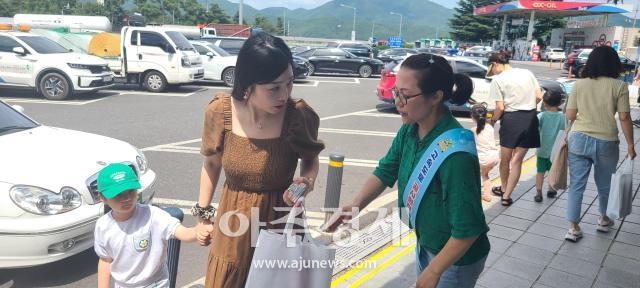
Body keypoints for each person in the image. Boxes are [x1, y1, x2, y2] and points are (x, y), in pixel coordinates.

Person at [325, 54, 490, 288]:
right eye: (395, 92)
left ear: (436, 96)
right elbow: (386, 170)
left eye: (405, 95)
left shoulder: (456, 155)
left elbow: (468, 229)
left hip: (455, 258)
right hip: (428, 241)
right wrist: (355, 205)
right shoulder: (411, 129)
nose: (397, 101)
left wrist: (433, 271)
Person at [193, 32, 325, 287]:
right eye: (273, 88)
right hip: (233, 222)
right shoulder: (220, 111)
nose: (284, 95)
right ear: (248, 85)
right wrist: (203, 216)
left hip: (281, 219)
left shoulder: (299, 116)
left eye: (289, 83)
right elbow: (211, 164)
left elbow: (310, 160)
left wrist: (305, 183)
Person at [564, 45, 636, 242]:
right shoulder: (619, 86)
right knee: (605, 185)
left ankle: (573, 228)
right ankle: (604, 220)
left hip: (578, 139)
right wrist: (630, 145)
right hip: (606, 141)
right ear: (614, 64)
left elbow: (570, 115)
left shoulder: (579, 85)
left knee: (577, 185)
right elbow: (624, 117)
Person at [94, 163, 197, 288]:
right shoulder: (103, 226)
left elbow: (180, 231)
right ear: (102, 198)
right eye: (118, 194)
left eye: (130, 191)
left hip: (156, 283)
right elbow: (105, 260)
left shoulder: (153, 215)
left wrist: (198, 232)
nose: (126, 198)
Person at [488, 52, 543, 206]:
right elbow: (539, 96)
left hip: (511, 120)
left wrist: (493, 120)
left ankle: (504, 187)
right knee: (517, 160)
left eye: (491, 69)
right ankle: (507, 196)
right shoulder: (527, 73)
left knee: (505, 160)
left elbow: (499, 107)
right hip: (530, 118)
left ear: (495, 64)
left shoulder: (498, 80)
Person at [534, 88, 565, 202]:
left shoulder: (541, 116)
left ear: (545, 103)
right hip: (556, 152)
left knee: (540, 172)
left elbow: (535, 129)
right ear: (560, 103)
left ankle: (538, 193)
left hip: (542, 149)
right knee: (553, 171)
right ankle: (551, 190)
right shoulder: (563, 117)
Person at [471, 103, 499, 202]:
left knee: (474, 175)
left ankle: (474, 193)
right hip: (494, 158)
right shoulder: (490, 128)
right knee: (485, 174)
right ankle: (487, 195)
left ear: (472, 117)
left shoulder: (473, 130)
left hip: (483, 159)